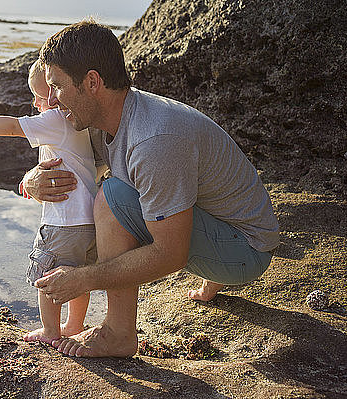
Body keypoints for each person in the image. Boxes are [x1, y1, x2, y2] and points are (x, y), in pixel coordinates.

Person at [24, 20, 280, 358]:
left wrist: (84, 278)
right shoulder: (107, 116)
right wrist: (29, 181)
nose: (52, 100)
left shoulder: (154, 139)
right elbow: (66, 162)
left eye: (57, 87)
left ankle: (118, 333)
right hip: (225, 227)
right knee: (117, 188)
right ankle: (210, 276)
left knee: (111, 196)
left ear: (92, 82)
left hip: (245, 251)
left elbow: (169, 254)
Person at [0, 60, 99, 345]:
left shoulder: (55, 119)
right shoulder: (81, 124)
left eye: (38, 96)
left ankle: (50, 331)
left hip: (62, 221)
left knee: (48, 274)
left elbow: (13, 126)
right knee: (76, 274)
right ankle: (73, 324)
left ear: (53, 95)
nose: (35, 102)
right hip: (89, 221)